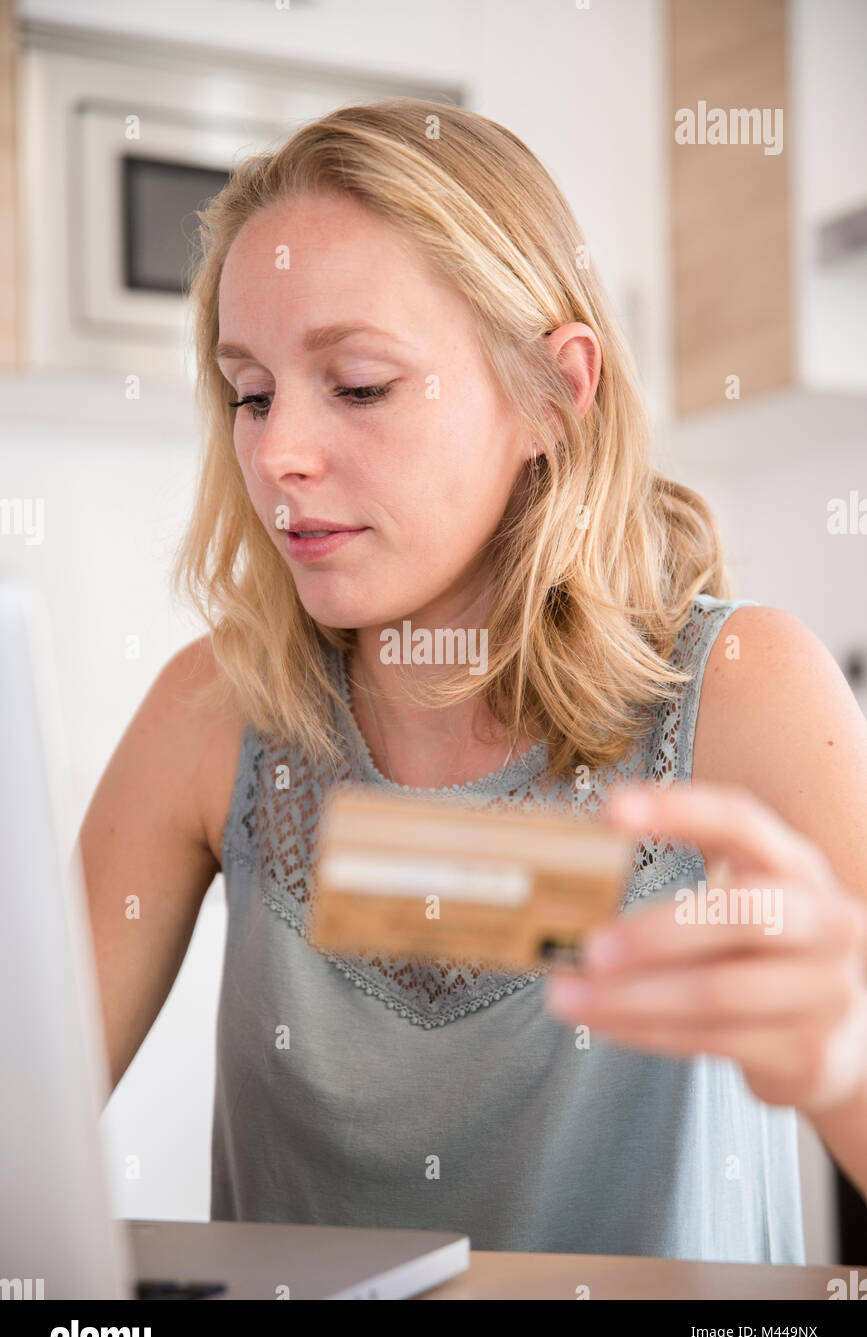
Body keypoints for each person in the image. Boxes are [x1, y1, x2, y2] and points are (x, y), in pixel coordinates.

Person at [79, 99, 867, 1261]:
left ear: (553, 393)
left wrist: (843, 1054)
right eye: (250, 392)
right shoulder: (211, 713)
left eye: (357, 384)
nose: (280, 453)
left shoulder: (746, 693)